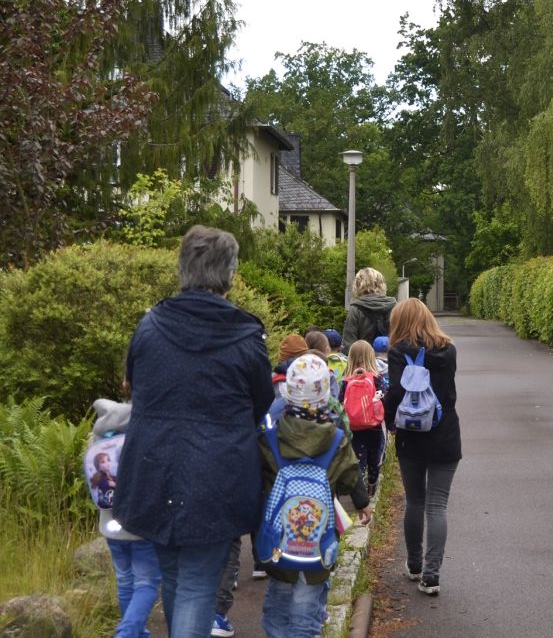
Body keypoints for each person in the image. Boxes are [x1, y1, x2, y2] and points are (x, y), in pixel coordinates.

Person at [114, 226, 274, 638]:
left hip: (153, 469)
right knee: (198, 585)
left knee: (175, 580)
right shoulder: (246, 337)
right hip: (217, 477)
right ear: (231, 273)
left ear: (183, 267)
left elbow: (134, 387)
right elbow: (260, 407)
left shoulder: (149, 327)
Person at [259, 354, 373, 638]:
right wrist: (362, 503)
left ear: (288, 391)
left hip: (278, 543)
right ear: (325, 394)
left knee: (278, 608)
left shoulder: (270, 438)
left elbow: (256, 482)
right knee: (307, 609)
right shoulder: (334, 439)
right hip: (318, 542)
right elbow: (350, 476)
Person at [384, 298, 460, 596]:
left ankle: (414, 565)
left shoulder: (398, 352)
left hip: (412, 436)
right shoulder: (449, 351)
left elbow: (396, 394)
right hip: (446, 435)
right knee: (437, 505)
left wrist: (389, 422)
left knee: (415, 501)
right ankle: (432, 575)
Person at [90, 398, 161, 638]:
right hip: (141, 525)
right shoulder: (144, 430)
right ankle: (127, 633)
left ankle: (137, 632)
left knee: (125, 581)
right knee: (147, 584)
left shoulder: (99, 435)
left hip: (109, 525)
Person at [342, 340, 387, 494]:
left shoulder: (346, 380)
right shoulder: (377, 378)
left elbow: (341, 401)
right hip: (374, 427)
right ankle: (372, 487)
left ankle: (358, 491)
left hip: (354, 427)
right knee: (374, 458)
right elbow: (384, 399)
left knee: (358, 458)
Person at [340, 267, 395, 354]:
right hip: (391, 362)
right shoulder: (395, 307)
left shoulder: (356, 309)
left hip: (364, 364)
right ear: (381, 284)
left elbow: (348, 346)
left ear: (358, 285)